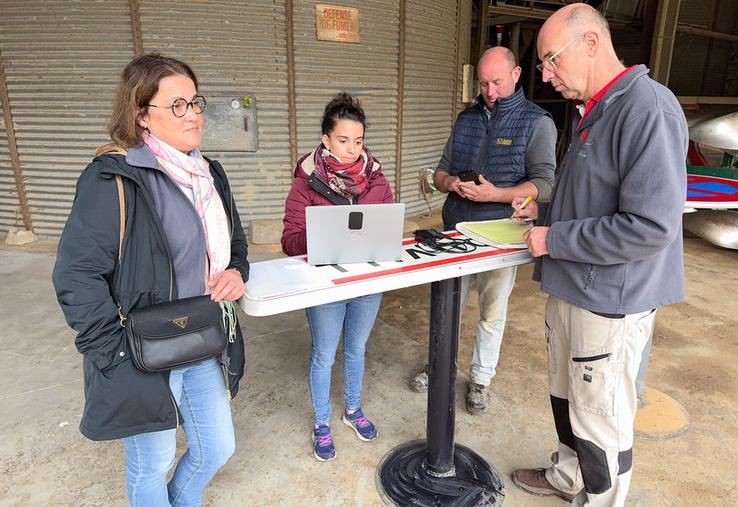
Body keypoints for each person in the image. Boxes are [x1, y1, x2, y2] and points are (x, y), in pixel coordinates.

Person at [52, 54, 249, 506]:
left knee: (217, 447)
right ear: (141, 114)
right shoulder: (113, 178)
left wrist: (237, 271)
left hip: (200, 332)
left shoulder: (209, 174)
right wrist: (115, 351)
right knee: (151, 465)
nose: (193, 114)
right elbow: (77, 274)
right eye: (177, 105)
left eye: (195, 102)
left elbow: (236, 241)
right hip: (141, 350)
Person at [511, 4, 688, 506]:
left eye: (550, 60)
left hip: (610, 301)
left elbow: (650, 226)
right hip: (574, 289)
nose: (545, 75)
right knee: (569, 403)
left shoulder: (647, 109)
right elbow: (593, 199)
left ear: (590, 43)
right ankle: (570, 478)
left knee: (602, 420)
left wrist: (555, 240)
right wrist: (542, 213)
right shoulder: (595, 109)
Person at [408, 46, 557, 415]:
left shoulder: (537, 122)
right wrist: (451, 183)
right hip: (456, 231)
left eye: (498, 82)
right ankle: (439, 365)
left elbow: (546, 183)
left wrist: (498, 194)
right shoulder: (466, 119)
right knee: (447, 307)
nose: (490, 91)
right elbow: (441, 170)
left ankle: (480, 379)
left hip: (500, 236)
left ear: (517, 74)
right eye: (485, 82)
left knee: (492, 312)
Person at [281, 93, 393, 462]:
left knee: (357, 348)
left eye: (358, 141)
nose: (351, 149)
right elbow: (289, 240)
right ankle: (321, 422)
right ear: (326, 139)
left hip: (367, 282)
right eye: (343, 140)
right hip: (325, 285)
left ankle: (352, 410)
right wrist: (323, 234)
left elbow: (387, 226)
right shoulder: (305, 184)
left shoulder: (377, 180)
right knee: (324, 354)